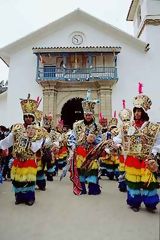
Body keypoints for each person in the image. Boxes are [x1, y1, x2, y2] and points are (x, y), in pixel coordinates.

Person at [114, 83, 160, 212]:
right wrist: (116, 144)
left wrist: (154, 153)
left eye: (139, 111)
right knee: (133, 182)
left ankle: (150, 203)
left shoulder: (152, 127)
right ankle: (134, 202)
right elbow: (118, 138)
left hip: (146, 159)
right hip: (132, 159)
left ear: (144, 112)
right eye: (135, 111)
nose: (137, 113)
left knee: (149, 183)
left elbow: (157, 143)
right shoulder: (127, 126)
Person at [0, 94, 50, 206]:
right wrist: (1, 145)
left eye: (30, 116)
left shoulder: (38, 130)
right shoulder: (17, 128)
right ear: (24, 117)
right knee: (17, 180)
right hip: (18, 158)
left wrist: (29, 139)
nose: (28, 118)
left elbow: (38, 145)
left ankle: (29, 198)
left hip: (29, 158)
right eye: (26, 116)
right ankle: (19, 197)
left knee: (29, 179)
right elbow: (9, 140)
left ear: (33, 118)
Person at [68, 89, 102, 195]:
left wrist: (95, 140)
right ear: (84, 114)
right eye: (86, 114)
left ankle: (93, 188)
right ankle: (81, 188)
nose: (88, 116)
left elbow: (100, 139)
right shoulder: (77, 125)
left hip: (92, 151)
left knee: (93, 169)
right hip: (80, 151)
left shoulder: (98, 126)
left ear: (93, 115)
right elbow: (72, 137)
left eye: (90, 114)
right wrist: (73, 148)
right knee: (80, 170)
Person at [117, 100, 132, 192]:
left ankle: (130, 184)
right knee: (123, 168)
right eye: (124, 120)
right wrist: (117, 143)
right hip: (123, 150)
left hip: (131, 151)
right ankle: (123, 184)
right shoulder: (121, 127)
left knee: (131, 169)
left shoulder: (133, 125)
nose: (125, 122)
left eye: (127, 120)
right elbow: (119, 137)